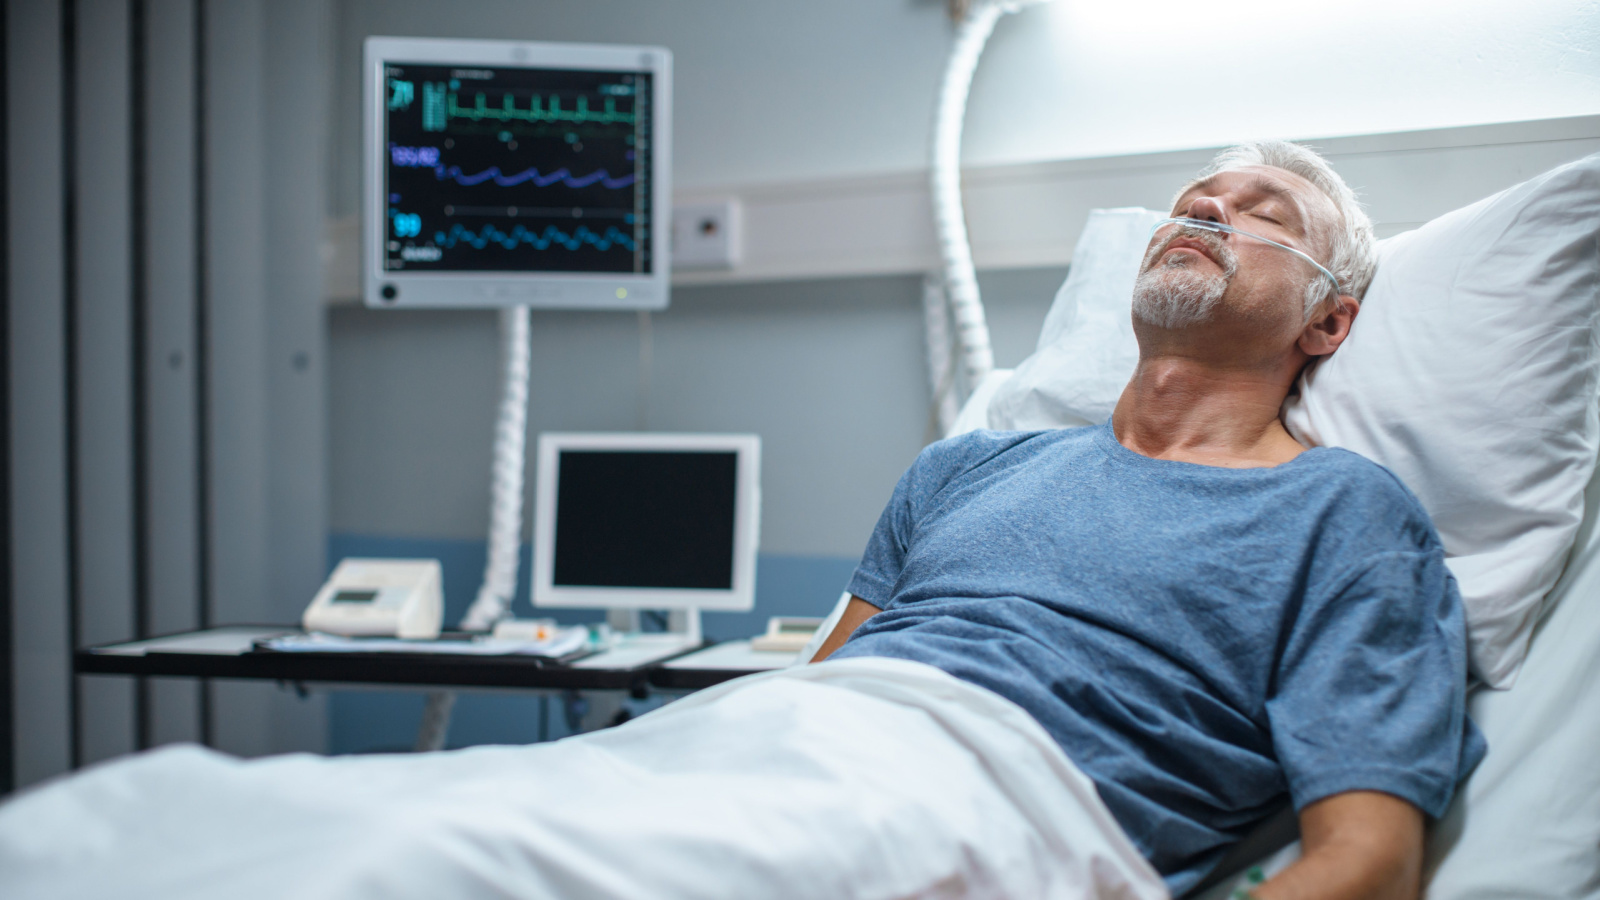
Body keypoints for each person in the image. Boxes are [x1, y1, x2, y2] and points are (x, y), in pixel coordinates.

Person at [813, 140, 1484, 899]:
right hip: (792, 758)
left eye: (1266, 215)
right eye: (1191, 202)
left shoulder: (1344, 513)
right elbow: (814, 690)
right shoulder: (961, 468)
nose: (1203, 210)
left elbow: (1370, 864)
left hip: (984, 825)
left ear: (1327, 323)